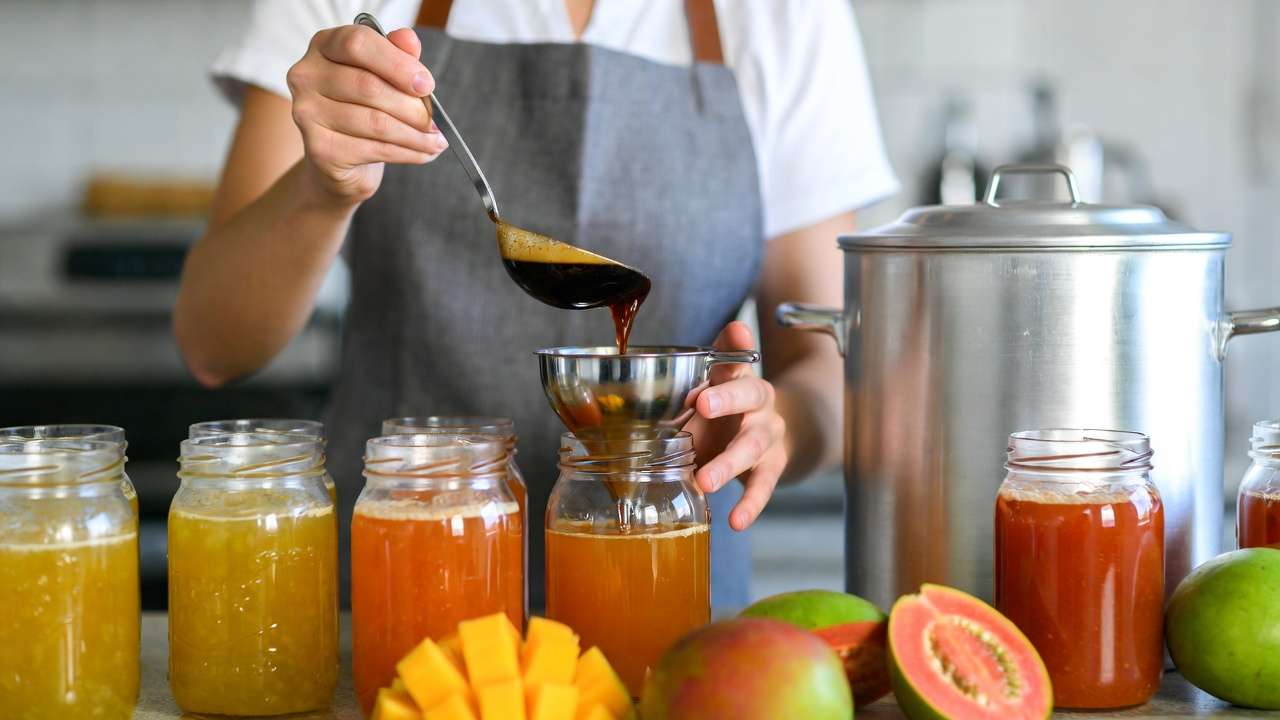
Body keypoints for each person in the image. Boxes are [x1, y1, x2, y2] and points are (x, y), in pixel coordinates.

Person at [176, 0, 897, 609]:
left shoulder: (782, 16)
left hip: (673, 610)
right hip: (404, 593)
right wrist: (322, 188)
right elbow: (214, 343)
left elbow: (827, 365)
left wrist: (778, 427)